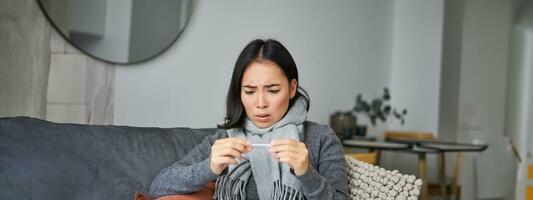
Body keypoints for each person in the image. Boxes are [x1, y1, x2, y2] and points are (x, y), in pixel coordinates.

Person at [149, 39, 348, 200]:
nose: (260, 103)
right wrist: (209, 168)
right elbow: (159, 186)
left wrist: (307, 173)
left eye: (272, 90)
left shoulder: (321, 138)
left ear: (292, 89)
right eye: (250, 91)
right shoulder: (224, 139)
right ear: (240, 93)